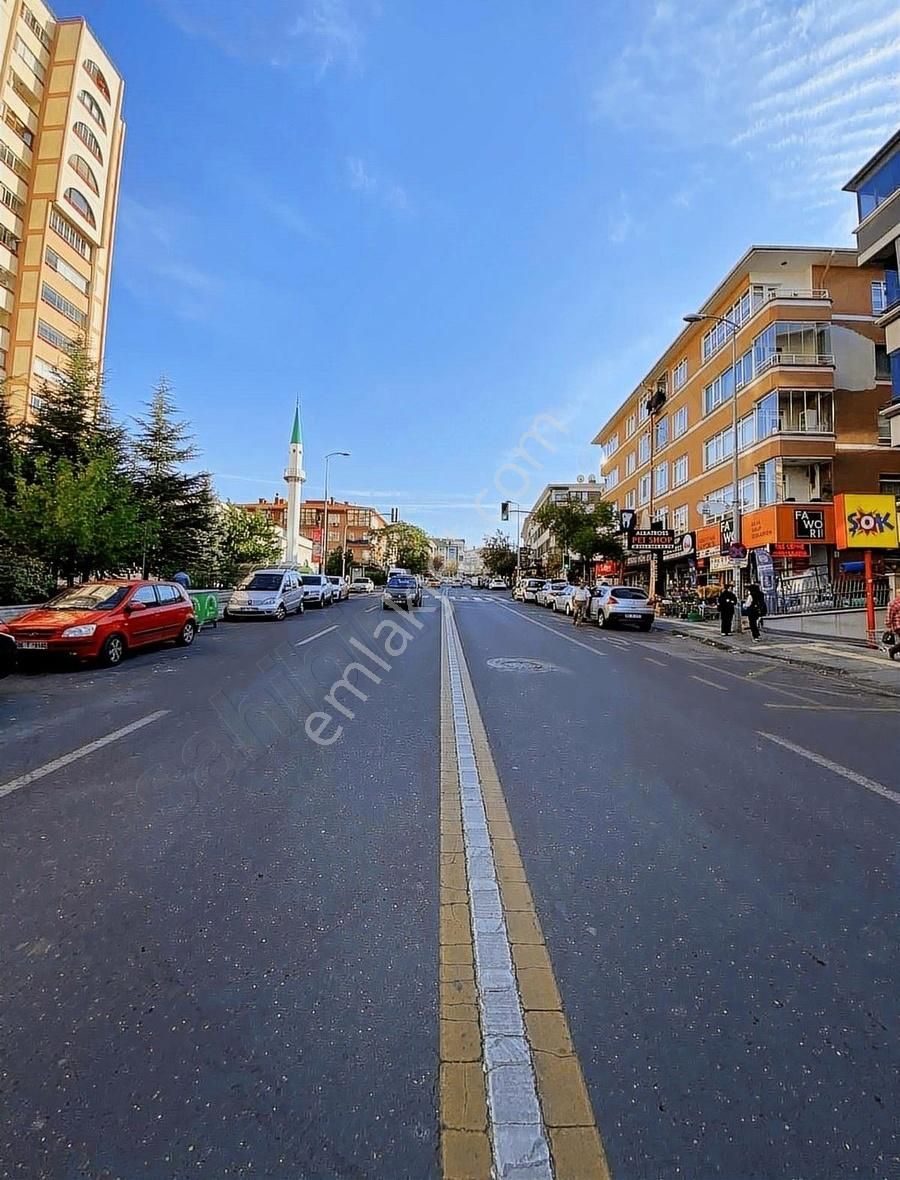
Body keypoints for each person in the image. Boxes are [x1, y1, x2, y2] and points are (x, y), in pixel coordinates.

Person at [885, 588, 900, 661]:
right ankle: (892, 650)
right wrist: (889, 626)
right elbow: (889, 615)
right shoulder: (893, 603)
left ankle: (893, 650)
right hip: (898, 625)